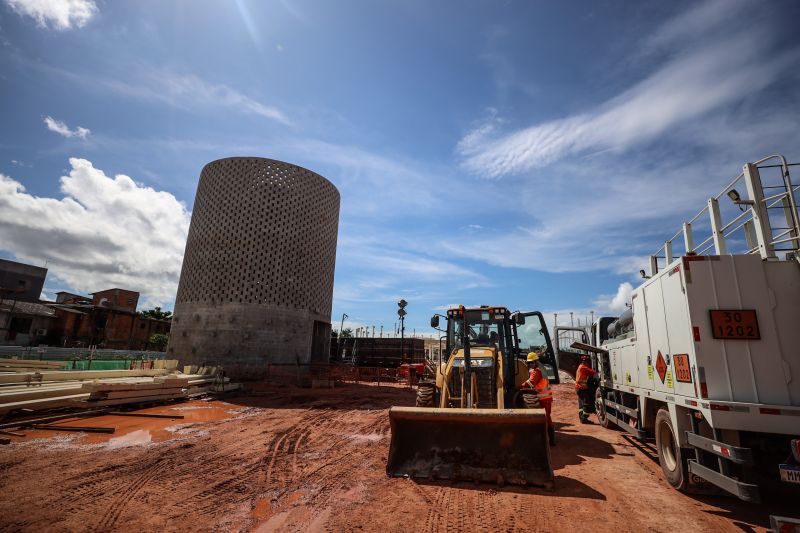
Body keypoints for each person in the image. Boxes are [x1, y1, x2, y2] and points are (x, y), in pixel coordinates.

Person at [523, 351, 555, 446]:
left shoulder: (537, 371)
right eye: (529, 363)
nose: (529, 365)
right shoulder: (542, 368)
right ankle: (551, 440)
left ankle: (548, 440)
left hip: (543, 399)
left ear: (535, 362)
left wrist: (520, 386)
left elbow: (531, 383)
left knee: (545, 419)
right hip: (546, 398)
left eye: (531, 363)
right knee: (547, 418)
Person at [575, 355, 599, 423]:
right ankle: (584, 418)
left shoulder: (580, 366)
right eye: (588, 362)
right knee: (587, 403)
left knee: (581, 404)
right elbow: (593, 372)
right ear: (586, 361)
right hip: (581, 388)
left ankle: (581, 418)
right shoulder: (583, 367)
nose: (588, 363)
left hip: (579, 388)